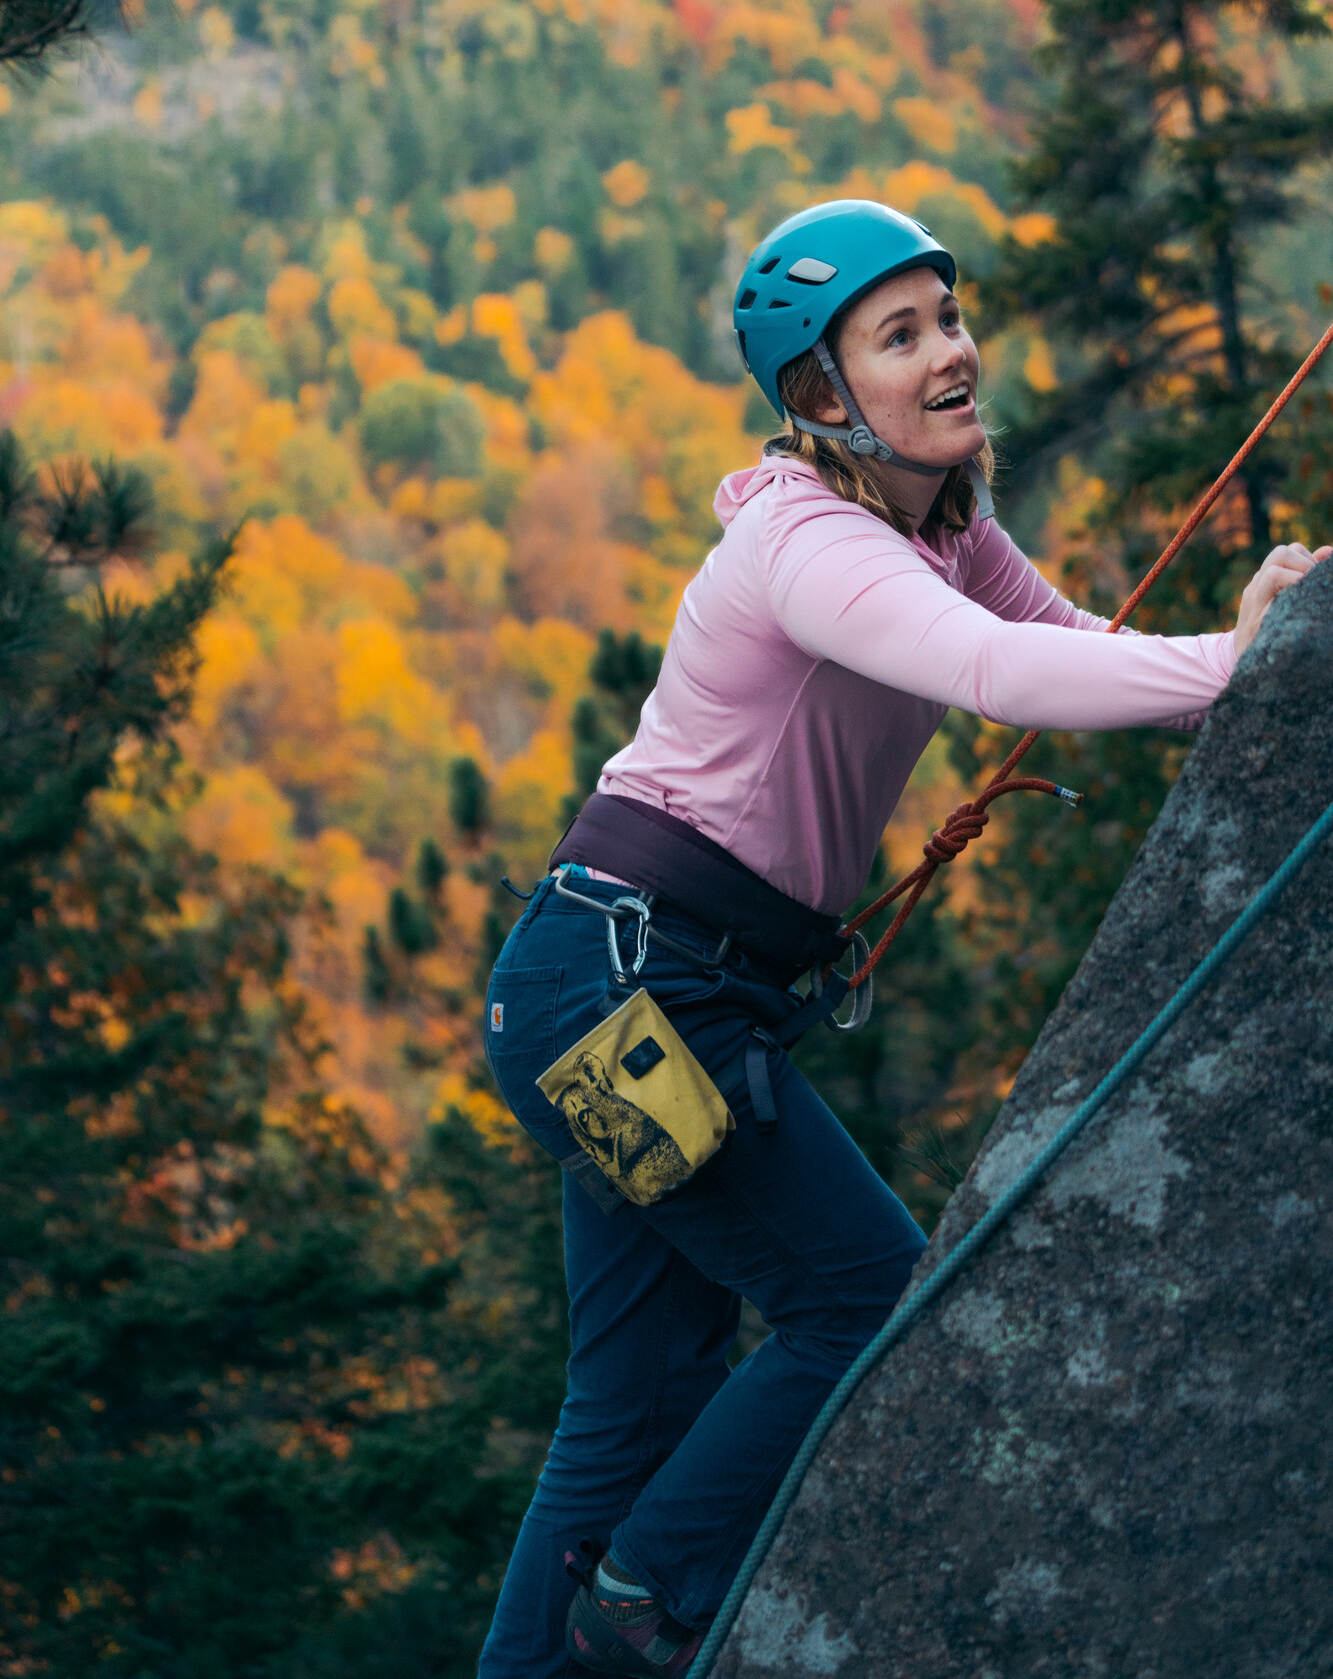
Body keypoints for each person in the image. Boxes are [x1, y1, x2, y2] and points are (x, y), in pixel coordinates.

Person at [476, 199, 1328, 1678]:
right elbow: (995, 670)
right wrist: (1233, 663)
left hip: (610, 987)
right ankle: (645, 1604)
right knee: (859, 1297)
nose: (949, 352)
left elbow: (1066, 643)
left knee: (634, 1398)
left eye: (948, 317)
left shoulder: (937, 524)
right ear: (821, 392)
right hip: (631, 993)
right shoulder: (805, 542)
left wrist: (1240, 662)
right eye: (900, 336)